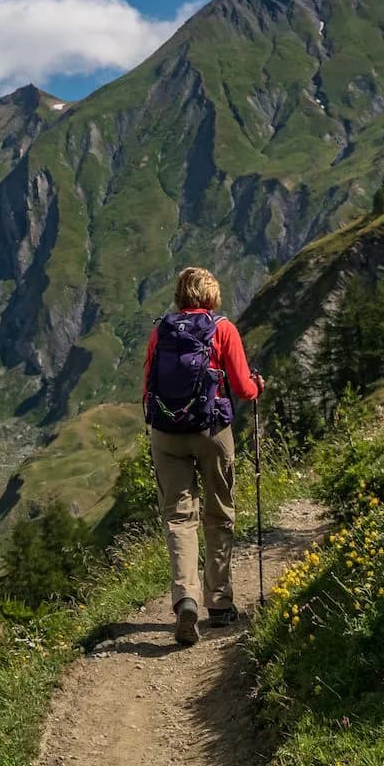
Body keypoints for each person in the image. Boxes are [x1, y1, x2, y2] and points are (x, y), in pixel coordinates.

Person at [141, 266, 261, 646]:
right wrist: (257, 387)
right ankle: (220, 604)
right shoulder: (222, 328)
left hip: (167, 435)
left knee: (179, 519)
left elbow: (147, 387)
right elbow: (242, 388)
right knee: (218, 513)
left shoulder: (160, 331)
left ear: (179, 294)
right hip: (211, 432)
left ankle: (186, 598)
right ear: (211, 296)